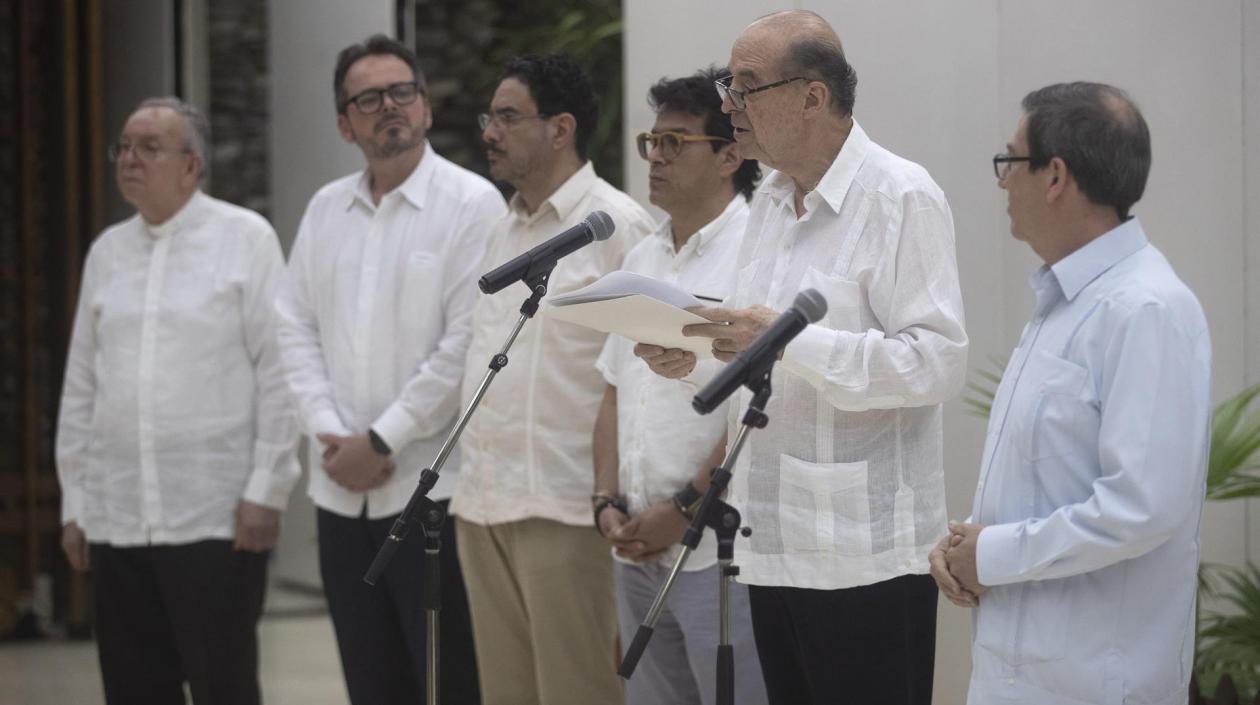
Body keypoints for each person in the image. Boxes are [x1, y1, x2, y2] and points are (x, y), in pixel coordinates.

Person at [639, 11, 968, 704]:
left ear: (813, 96)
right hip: (773, 542)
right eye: (729, 84)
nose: (729, 102)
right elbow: (756, 352)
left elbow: (937, 361)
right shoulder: (768, 202)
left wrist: (791, 340)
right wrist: (693, 358)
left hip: (866, 554)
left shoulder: (900, 194)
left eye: (746, 85)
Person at [930, 82, 1211, 705]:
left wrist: (995, 553)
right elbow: (1044, 485)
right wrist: (966, 547)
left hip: (1095, 681)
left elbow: (1142, 507)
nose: (1002, 182)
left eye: (1010, 161)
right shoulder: (1062, 304)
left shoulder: (1147, 310)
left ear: (1054, 176)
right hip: (1015, 670)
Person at [274, 34, 504, 705]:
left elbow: (466, 345)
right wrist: (329, 433)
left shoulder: (472, 204)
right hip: (340, 493)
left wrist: (381, 440)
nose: (389, 108)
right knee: (370, 681)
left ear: (427, 108)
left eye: (403, 92)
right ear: (346, 123)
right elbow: (293, 328)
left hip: (432, 493)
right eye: (368, 99)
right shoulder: (325, 210)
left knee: (448, 680)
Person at [56, 96, 299, 705]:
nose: (129, 158)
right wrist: (76, 499)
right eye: (124, 146)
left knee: (225, 687)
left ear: (192, 165)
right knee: (134, 689)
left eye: (149, 148)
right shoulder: (107, 251)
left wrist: (267, 490)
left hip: (216, 517)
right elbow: (82, 383)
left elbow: (280, 371)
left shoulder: (246, 239)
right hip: (118, 515)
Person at [450, 53, 656, 705]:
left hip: (567, 510)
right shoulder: (499, 226)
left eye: (507, 117)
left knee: (579, 691)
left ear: (561, 128)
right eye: (490, 116)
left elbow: (646, 380)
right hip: (482, 504)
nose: (490, 131)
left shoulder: (618, 226)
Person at [592, 67, 767, 705]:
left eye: (675, 143)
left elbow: (754, 412)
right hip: (634, 542)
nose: (656, 159)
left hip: (714, 545)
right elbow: (614, 392)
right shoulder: (640, 257)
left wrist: (684, 510)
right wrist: (605, 499)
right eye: (651, 142)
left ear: (729, 156)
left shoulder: (758, 254)